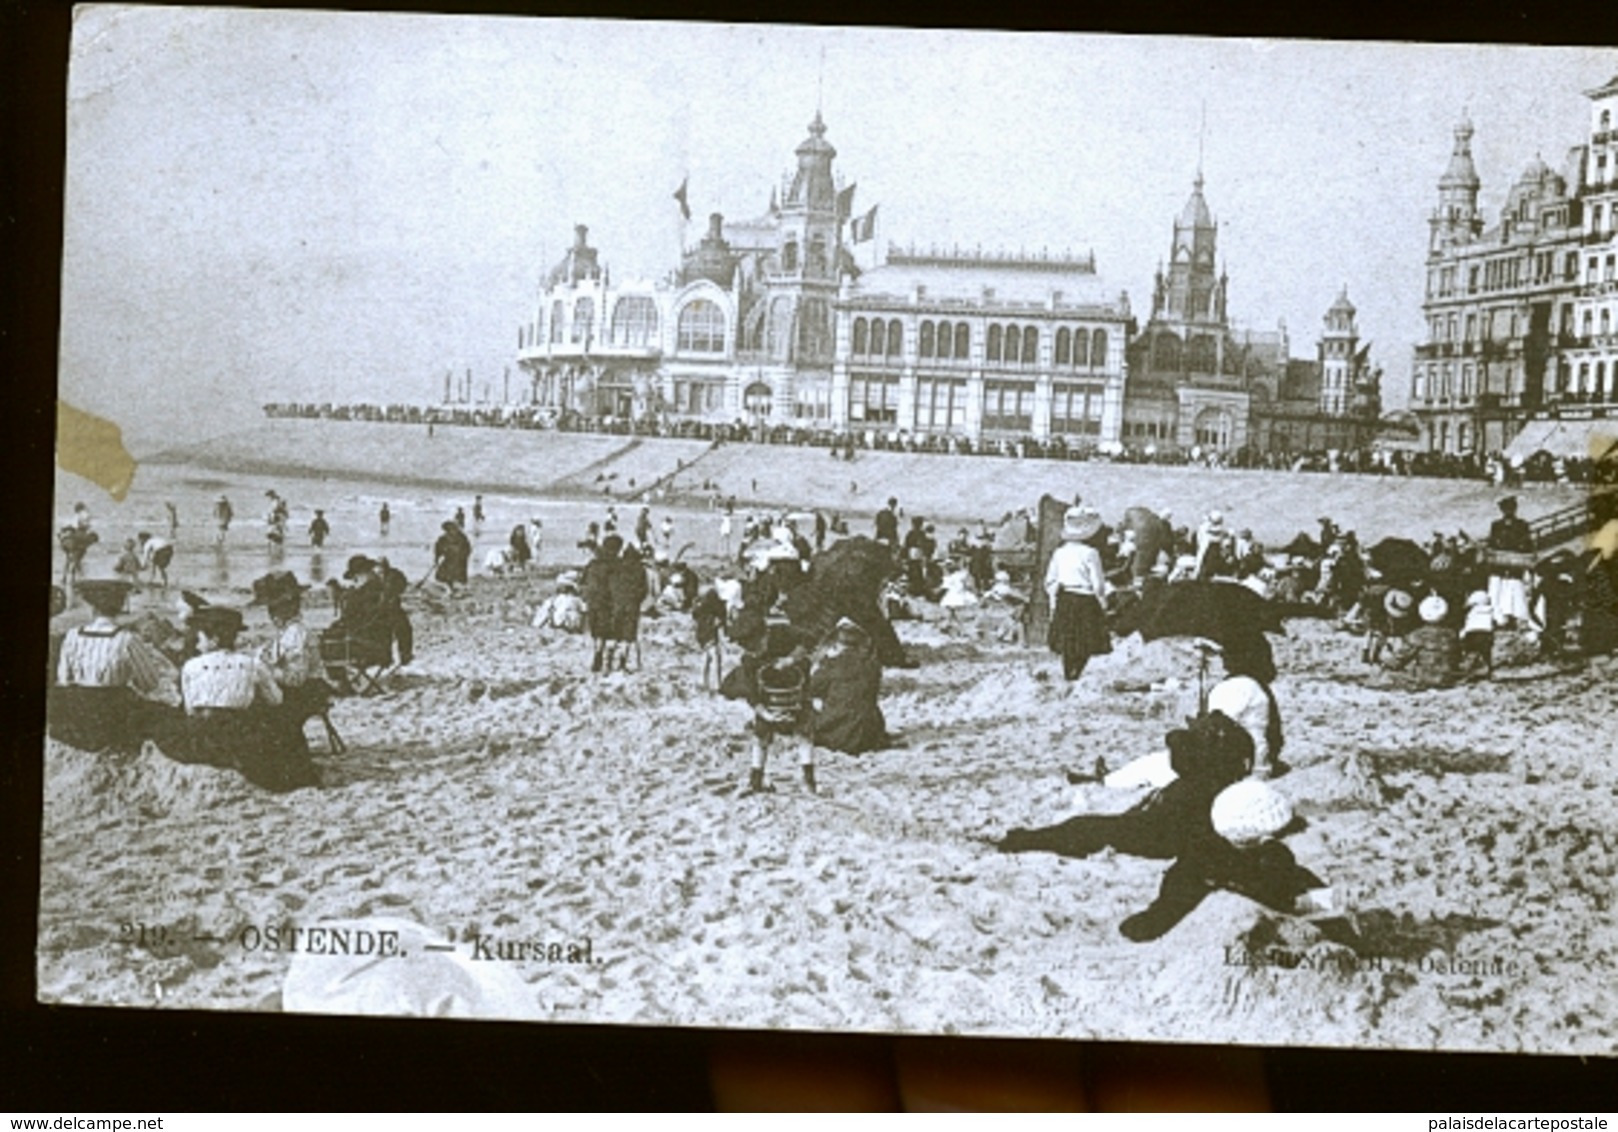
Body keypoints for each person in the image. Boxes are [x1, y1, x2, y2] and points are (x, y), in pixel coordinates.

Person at [998, 711, 1320, 942]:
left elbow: (1177, 859)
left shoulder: (1199, 797)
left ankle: (1026, 840)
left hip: (1152, 834)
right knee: (1091, 827)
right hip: (1163, 833)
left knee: (1089, 828)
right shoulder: (1218, 791)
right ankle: (1030, 839)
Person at [180, 604, 316, 792]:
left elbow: (190, 709)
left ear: (214, 640)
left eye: (200, 638)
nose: (196, 644)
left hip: (202, 737)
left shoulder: (190, 666)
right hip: (240, 736)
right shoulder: (252, 664)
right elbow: (276, 700)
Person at [49, 579, 177, 753]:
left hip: (77, 708)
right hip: (112, 710)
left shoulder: (72, 636)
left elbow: (63, 678)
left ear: (92, 606)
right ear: (120, 605)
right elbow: (149, 683)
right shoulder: (126, 639)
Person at [722, 617, 816, 795]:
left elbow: (810, 639)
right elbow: (751, 694)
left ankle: (808, 780)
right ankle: (755, 779)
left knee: (804, 734)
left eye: (757, 646)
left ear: (765, 634)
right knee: (761, 737)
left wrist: (791, 659)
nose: (755, 653)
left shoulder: (782, 633)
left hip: (798, 690)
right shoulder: (749, 661)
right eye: (749, 649)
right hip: (768, 700)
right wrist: (766, 715)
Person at [253, 570, 332, 751]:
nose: (270, 615)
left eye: (273, 609)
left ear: (285, 609)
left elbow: (296, 678)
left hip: (307, 691)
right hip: (305, 687)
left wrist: (266, 670)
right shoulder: (290, 631)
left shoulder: (295, 634)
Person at [1044, 506, 1111, 681]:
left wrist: (1053, 601)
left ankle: (1068, 673)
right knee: (1086, 642)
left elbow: (1050, 580)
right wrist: (1103, 602)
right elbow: (1098, 583)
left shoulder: (1059, 553)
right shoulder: (1091, 553)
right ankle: (1077, 673)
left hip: (1066, 598)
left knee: (1068, 641)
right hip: (1085, 599)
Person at [807, 617, 891, 756]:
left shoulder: (832, 665)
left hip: (838, 734)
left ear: (836, 642)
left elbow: (810, 689)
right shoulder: (873, 665)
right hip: (870, 734)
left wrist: (818, 666)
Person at [1205, 634, 1285, 779]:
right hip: (1261, 763)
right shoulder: (1257, 685)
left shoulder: (1235, 686)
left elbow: (1217, 733)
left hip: (1243, 769)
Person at [1381, 594, 1462, 689]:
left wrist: (1385, 656)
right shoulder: (1452, 635)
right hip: (1448, 679)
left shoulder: (1417, 635)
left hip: (1425, 678)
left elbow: (1398, 661)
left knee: (1388, 676)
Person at [1486, 496, 1534, 629]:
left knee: (1516, 595)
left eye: (1510, 508)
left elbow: (1527, 544)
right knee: (1497, 595)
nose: (1508, 511)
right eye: (1505, 509)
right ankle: (1498, 620)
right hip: (1499, 568)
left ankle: (1518, 620)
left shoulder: (1522, 525)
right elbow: (1492, 544)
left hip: (1515, 568)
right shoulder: (1496, 525)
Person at [607, 543, 650, 671]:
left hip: (617, 605)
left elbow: (610, 586)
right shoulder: (640, 569)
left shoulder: (616, 567)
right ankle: (622, 663)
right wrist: (636, 600)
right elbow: (644, 590)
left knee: (614, 634)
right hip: (632, 605)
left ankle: (608, 660)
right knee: (628, 636)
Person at [433, 519, 472, 591]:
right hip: (449, 559)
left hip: (459, 559)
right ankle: (451, 586)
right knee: (445, 573)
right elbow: (438, 548)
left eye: (452, 528)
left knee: (458, 574)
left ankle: (459, 587)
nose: (451, 531)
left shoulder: (461, 537)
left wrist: (463, 556)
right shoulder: (443, 538)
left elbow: (467, 548)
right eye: (448, 529)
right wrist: (437, 558)